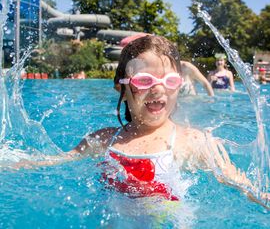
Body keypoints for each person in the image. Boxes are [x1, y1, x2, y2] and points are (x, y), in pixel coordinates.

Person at [15, 35, 268, 208]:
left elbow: (238, 182)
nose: (158, 89)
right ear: (122, 89)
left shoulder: (190, 141)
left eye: (169, 81)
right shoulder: (104, 140)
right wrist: (14, 163)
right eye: (144, 81)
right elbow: (58, 161)